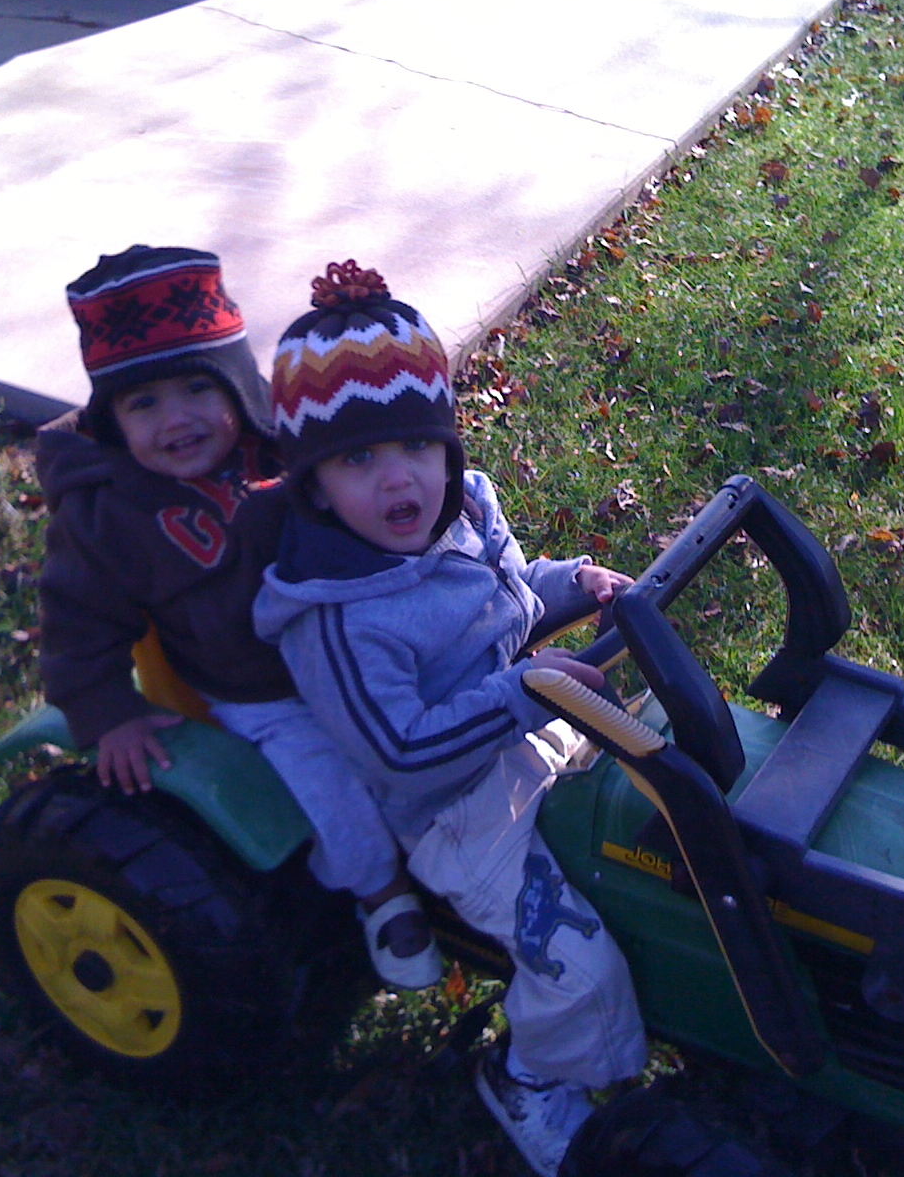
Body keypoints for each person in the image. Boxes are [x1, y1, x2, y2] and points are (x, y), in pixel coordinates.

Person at [254, 260, 648, 1177]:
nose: (399, 479)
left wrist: (574, 585)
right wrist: (525, 691)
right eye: (358, 460)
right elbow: (401, 749)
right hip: (456, 812)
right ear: (314, 486)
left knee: (671, 825)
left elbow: (509, 599)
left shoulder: (463, 510)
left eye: (416, 447)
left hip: (532, 728)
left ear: (446, 447)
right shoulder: (340, 619)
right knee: (578, 965)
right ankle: (528, 1078)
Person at [36, 245, 439, 989]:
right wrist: (107, 712)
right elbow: (77, 621)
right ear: (111, 419)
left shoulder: (287, 445)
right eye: (143, 403)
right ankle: (381, 893)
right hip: (260, 692)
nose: (177, 419)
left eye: (198, 387)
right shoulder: (107, 514)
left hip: (361, 639)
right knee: (332, 786)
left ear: (237, 384)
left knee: (442, 723)